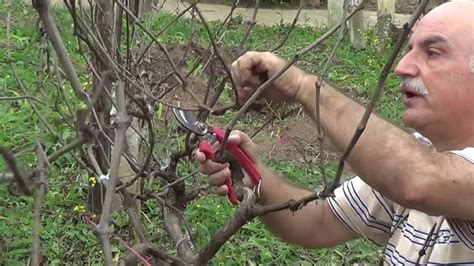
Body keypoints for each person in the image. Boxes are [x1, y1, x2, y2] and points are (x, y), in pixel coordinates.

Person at [196, 1, 474, 264]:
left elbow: (417, 180)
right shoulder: (420, 155)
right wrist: (255, 174)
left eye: (433, 53)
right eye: (410, 49)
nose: (402, 67)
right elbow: (320, 222)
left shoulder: (417, 172)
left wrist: (301, 86)